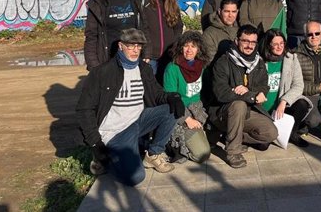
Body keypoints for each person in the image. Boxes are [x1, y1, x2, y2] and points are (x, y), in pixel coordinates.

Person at [77, 29, 185, 185]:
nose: (135, 50)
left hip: (138, 121)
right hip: (116, 132)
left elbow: (156, 93)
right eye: (131, 46)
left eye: (139, 46)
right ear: (121, 46)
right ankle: (106, 159)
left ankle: (153, 154)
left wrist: (171, 97)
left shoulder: (143, 68)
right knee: (136, 177)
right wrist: (95, 143)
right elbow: (84, 109)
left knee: (172, 109)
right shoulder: (102, 72)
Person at [208, 24, 278, 168]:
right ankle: (233, 151)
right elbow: (221, 93)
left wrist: (255, 93)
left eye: (253, 42)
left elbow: (264, 86)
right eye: (245, 41)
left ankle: (234, 137)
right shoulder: (223, 62)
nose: (249, 45)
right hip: (222, 113)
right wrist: (249, 96)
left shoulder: (258, 63)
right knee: (238, 104)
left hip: (248, 112)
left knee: (270, 133)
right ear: (236, 41)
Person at [84, 0, 144, 69]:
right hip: (108, 58)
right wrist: (93, 64)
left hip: (132, 57)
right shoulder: (100, 1)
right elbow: (91, 36)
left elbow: (145, 28)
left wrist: (146, 54)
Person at [163, 31, 212, 164]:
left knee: (209, 142)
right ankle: (174, 146)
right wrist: (187, 119)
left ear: (199, 49)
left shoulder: (201, 66)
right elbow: (170, 99)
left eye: (193, 46)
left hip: (197, 111)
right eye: (186, 46)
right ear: (180, 48)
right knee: (202, 154)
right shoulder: (172, 68)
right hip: (179, 113)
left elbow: (202, 94)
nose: (189, 50)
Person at [260, 29, 313, 147]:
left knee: (302, 103)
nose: (279, 47)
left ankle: (292, 133)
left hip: (282, 107)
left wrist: (284, 101)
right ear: (268, 45)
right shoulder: (260, 61)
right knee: (263, 146)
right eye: (275, 44)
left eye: (282, 43)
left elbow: (299, 85)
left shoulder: (291, 58)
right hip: (263, 108)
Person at [141, 0, 184, 77]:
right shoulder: (143, 1)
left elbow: (178, 27)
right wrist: (146, 51)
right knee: (150, 89)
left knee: (165, 87)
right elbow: (141, 28)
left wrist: (174, 45)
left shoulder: (171, 4)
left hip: (168, 55)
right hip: (150, 56)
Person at [294, 21, 321, 134]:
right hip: (308, 94)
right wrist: (317, 88)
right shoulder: (297, 54)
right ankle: (302, 124)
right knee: (315, 121)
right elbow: (296, 84)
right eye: (310, 34)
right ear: (305, 36)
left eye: (317, 33)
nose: (314, 37)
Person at [203, 0, 240, 65]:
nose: (230, 15)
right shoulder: (209, 33)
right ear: (220, 11)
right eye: (226, 11)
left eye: (233, 12)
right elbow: (210, 61)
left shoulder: (241, 31)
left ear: (237, 12)